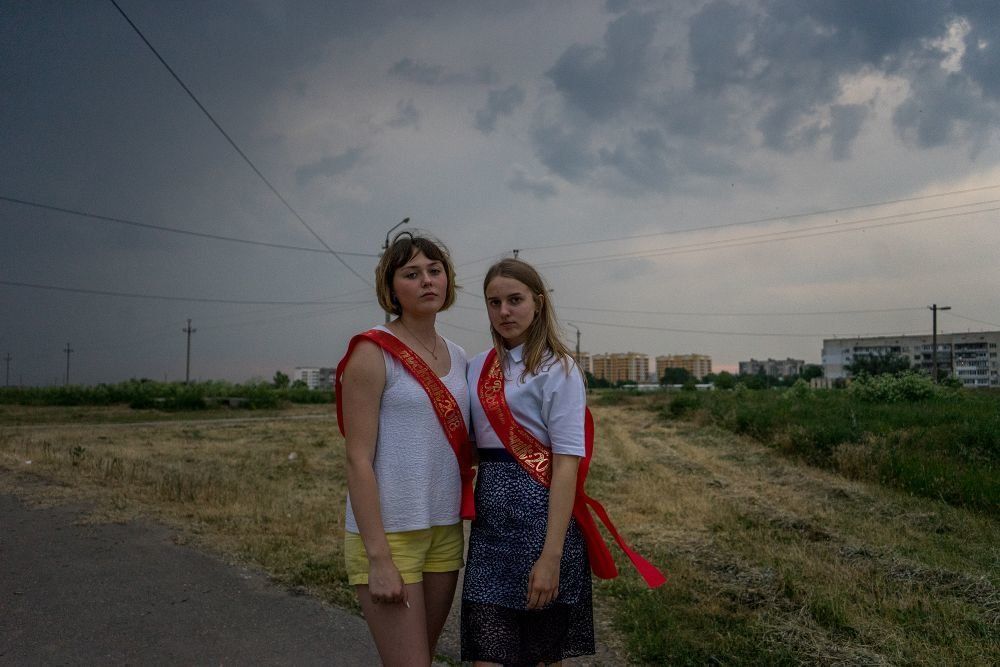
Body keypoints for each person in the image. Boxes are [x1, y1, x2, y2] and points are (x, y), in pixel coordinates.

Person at [462, 258, 666, 666]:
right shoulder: (477, 367)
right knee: (487, 655)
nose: (504, 311)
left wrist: (550, 557)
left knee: (541, 657)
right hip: (490, 531)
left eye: (515, 300)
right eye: (494, 302)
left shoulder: (559, 368)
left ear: (538, 303)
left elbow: (566, 465)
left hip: (544, 526)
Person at [335, 232, 475, 667]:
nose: (427, 281)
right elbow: (357, 459)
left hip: (444, 529)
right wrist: (378, 557)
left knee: (421, 659)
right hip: (390, 533)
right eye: (412, 274)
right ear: (391, 288)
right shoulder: (372, 351)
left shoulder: (459, 356)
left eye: (435, 271)